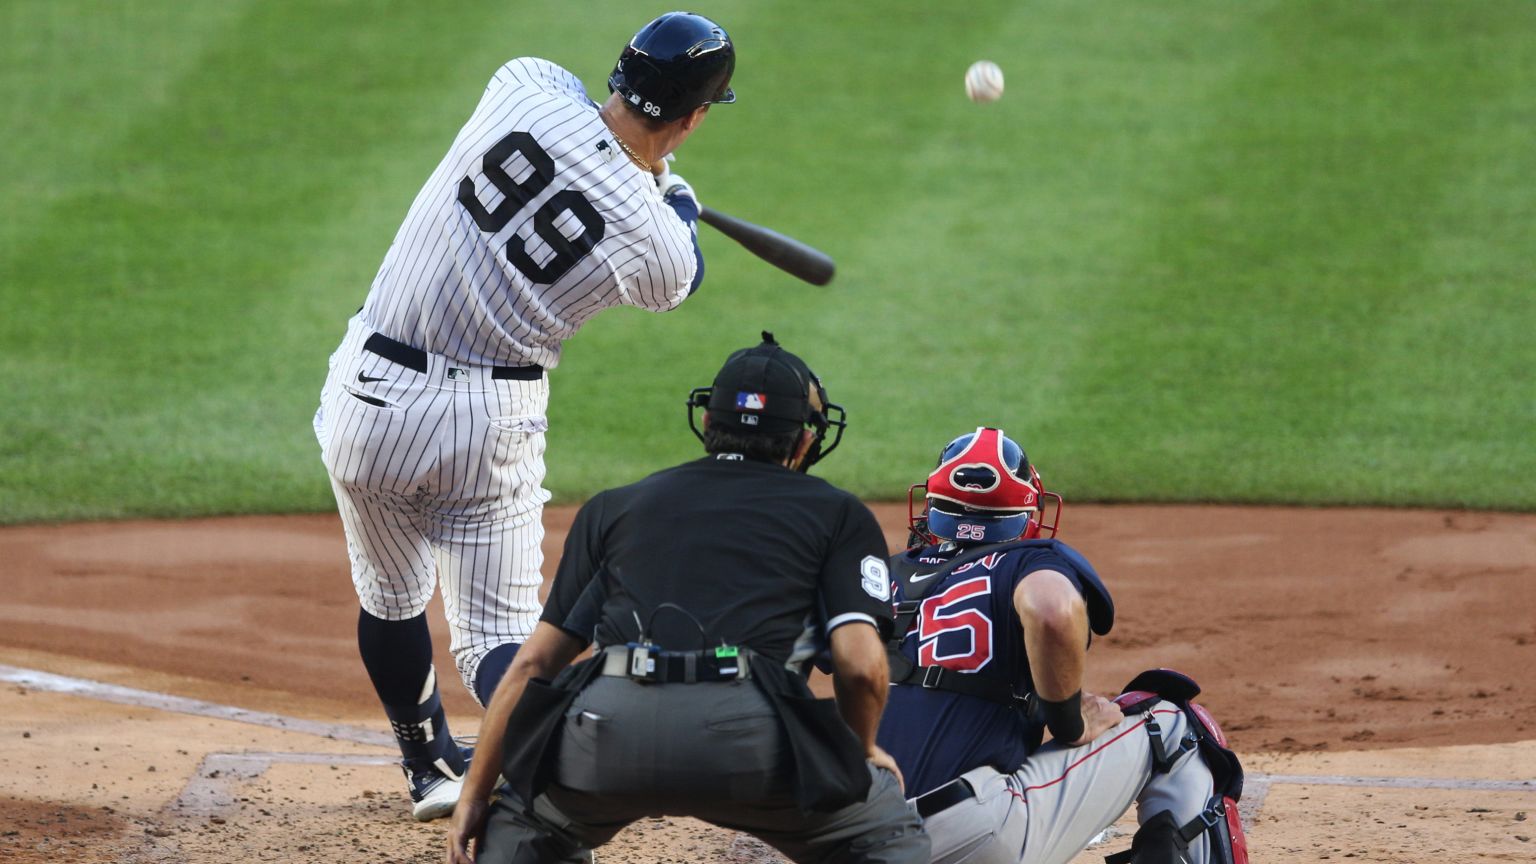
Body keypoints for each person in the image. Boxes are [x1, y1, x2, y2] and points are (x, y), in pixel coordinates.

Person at [312, 12, 736, 821]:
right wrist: (668, 191)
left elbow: (570, 98)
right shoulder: (656, 241)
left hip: (367, 395)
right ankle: (554, 775)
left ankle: (427, 763)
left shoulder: (523, 87)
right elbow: (684, 270)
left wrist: (648, 170)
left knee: (390, 598)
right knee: (496, 638)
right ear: (695, 117)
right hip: (484, 420)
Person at [446, 333, 929, 864]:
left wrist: (474, 793)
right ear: (804, 442)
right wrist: (858, 753)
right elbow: (860, 668)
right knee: (886, 832)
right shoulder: (837, 513)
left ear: (705, 421)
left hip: (606, 730)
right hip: (749, 741)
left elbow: (531, 665)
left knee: (525, 823)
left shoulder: (614, 507)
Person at [876, 427, 1248, 864]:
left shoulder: (882, 576)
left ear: (929, 506)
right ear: (1029, 512)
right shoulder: (1030, 558)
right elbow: (1052, 610)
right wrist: (1069, 722)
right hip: (969, 833)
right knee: (1171, 723)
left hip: (856, 838)